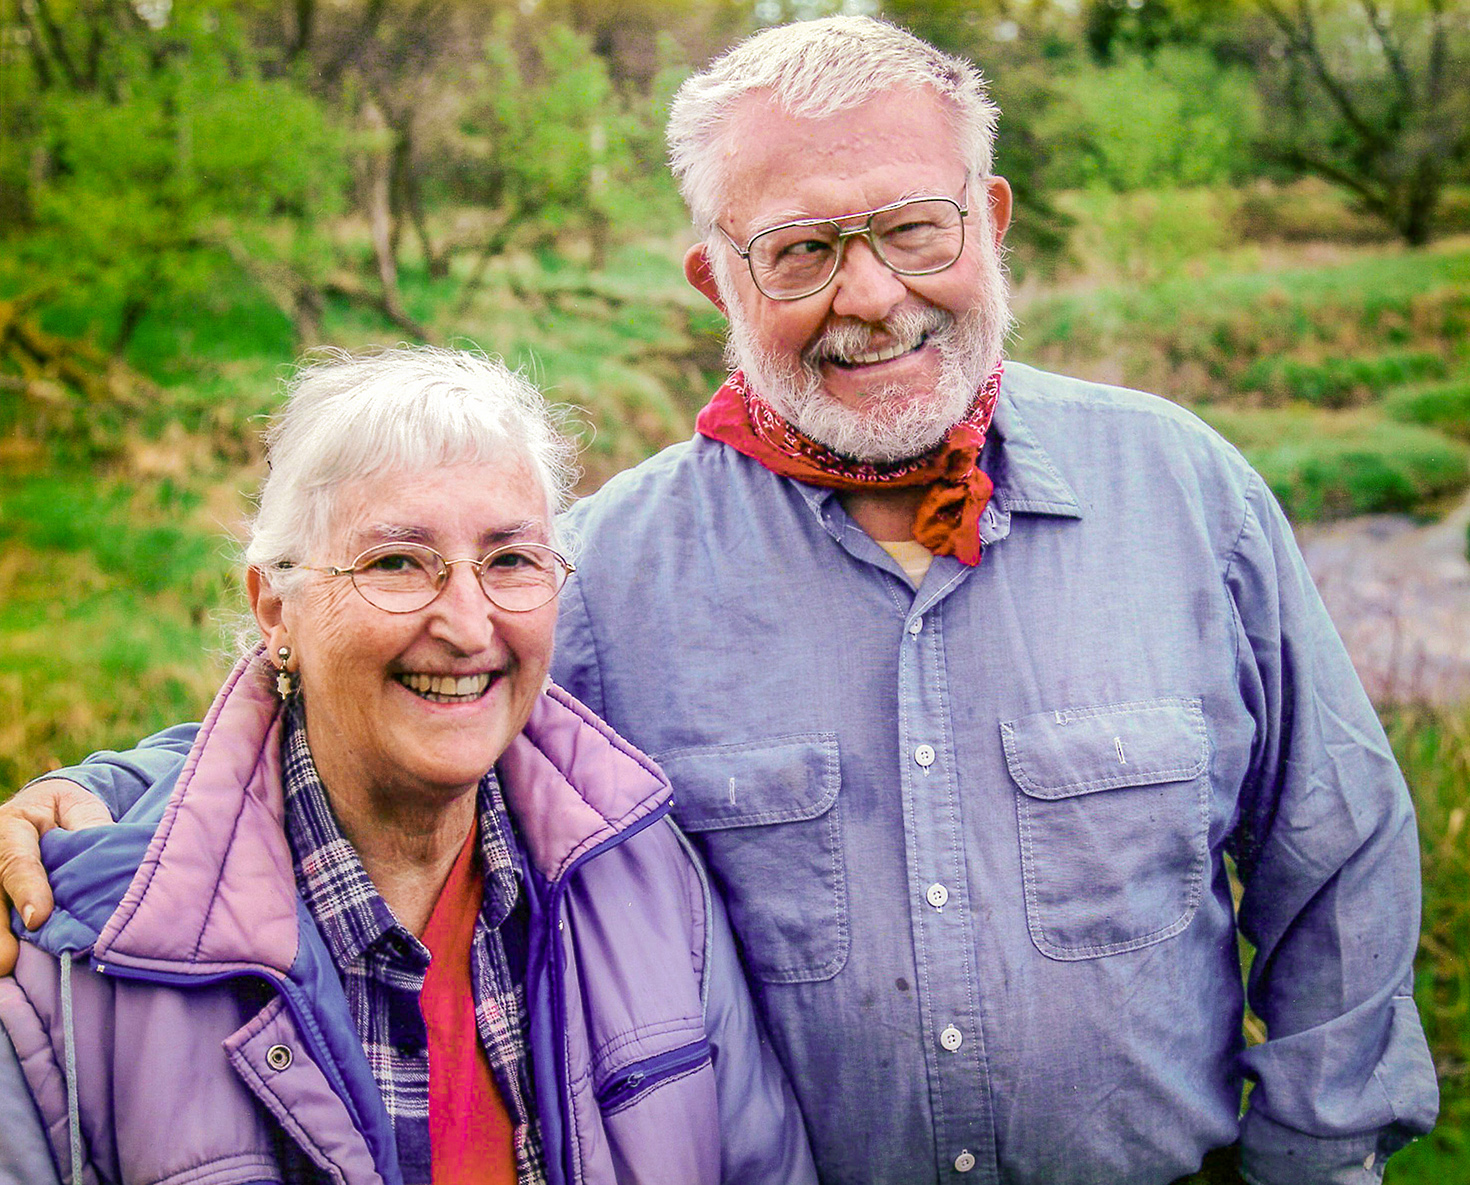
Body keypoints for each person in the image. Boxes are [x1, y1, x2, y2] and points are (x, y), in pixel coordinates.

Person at [0, 15, 1439, 1185]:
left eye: (913, 230)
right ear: (714, 280)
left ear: (989, 222)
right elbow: (391, 697)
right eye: (800, 250)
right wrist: (105, 796)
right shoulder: (602, 568)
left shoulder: (1185, 494)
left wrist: (1311, 1161)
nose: (869, 293)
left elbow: (1340, 845)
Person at [0, 347, 816, 1185]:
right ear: (275, 608)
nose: (468, 625)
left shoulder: (643, 877)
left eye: (510, 560)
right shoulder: (73, 968)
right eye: (396, 562)